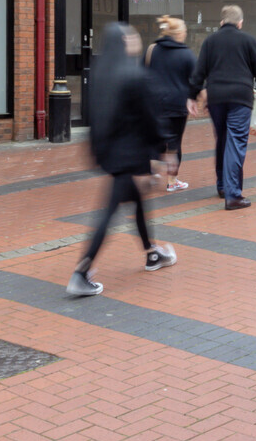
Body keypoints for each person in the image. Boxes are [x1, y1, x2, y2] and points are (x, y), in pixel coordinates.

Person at [67, 22, 177, 297]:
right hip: (129, 155)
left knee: (137, 201)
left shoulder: (101, 75)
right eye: (131, 36)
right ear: (124, 42)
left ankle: (152, 253)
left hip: (110, 153)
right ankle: (81, 271)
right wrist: (164, 152)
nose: (134, 39)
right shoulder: (135, 75)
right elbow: (151, 119)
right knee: (108, 213)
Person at [188, 5, 256, 210]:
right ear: (240, 23)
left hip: (216, 98)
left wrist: (192, 96)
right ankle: (233, 195)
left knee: (223, 140)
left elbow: (199, 73)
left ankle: (223, 186)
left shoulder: (210, 41)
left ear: (221, 22)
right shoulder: (248, 40)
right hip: (240, 98)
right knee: (236, 141)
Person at [144, 16, 196, 192]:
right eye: (185, 31)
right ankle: (172, 181)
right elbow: (196, 80)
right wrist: (194, 98)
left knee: (154, 138)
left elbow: (142, 73)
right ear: (179, 33)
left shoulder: (152, 50)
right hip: (178, 104)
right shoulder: (186, 53)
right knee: (175, 142)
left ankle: (152, 171)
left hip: (154, 103)